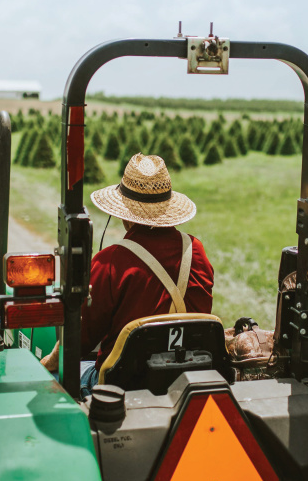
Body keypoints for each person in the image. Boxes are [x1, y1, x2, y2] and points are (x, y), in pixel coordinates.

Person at [41, 153, 214, 397]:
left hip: (123, 387)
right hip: (187, 381)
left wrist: (47, 363)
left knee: (62, 374)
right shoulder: (196, 251)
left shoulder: (110, 262)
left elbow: (78, 342)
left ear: (123, 213)